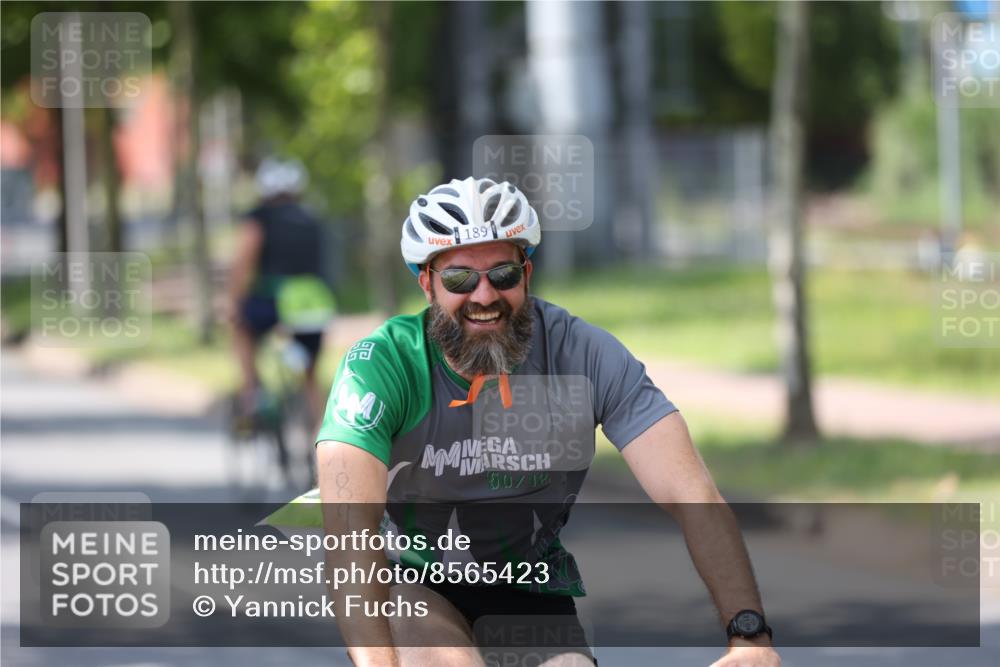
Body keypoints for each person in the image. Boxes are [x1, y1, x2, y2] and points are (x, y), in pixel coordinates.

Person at [268, 177, 781, 667]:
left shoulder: (584, 354)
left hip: (531, 585)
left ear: (527, 274)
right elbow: (350, 537)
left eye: (503, 274)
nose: (485, 296)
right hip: (416, 581)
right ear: (426, 283)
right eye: (459, 278)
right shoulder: (383, 364)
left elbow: (693, 497)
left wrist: (748, 634)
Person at [224, 157, 334, 426]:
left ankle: (253, 393)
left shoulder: (258, 218)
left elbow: (244, 262)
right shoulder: (312, 218)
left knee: (240, 327)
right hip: (314, 304)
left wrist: (233, 301)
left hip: (274, 301)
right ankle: (319, 434)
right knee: (309, 372)